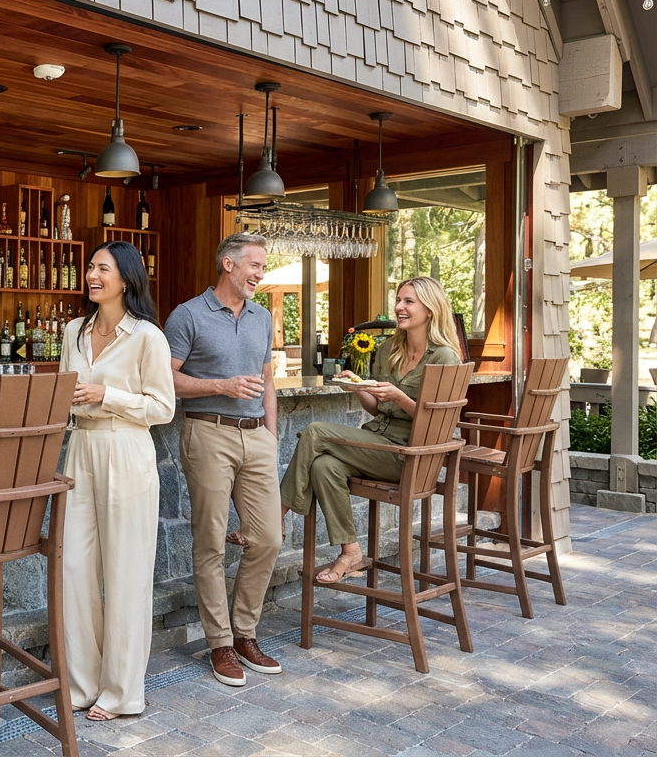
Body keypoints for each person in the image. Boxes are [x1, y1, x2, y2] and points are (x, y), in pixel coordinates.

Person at [281, 276, 463, 583]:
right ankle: (351, 551)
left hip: (408, 455)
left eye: (409, 302)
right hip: (378, 441)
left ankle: (276, 519)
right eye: (398, 300)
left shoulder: (445, 357)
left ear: (430, 310)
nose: (399, 308)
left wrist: (401, 397)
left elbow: (439, 423)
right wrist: (356, 387)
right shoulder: (389, 348)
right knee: (325, 466)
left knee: (314, 431)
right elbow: (379, 409)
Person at [60, 241, 175, 721]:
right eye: (90, 267)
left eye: (101, 268)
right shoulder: (73, 331)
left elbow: (163, 407)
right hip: (79, 451)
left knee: (126, 573)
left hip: (126, 450)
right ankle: (81, 683)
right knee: (74, 570)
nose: (91, 274)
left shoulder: (148, 337)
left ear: (125, 279)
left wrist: (109, 394)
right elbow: (66, 392)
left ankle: (122, 692)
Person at [164, 232, 283, 688]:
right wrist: (222, 386)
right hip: (207, 432)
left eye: (264, 267)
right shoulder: (188, 315)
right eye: (255, 265)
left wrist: (271, 436)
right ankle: (220, 643)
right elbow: (167, 380)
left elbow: (267, 381)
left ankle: (245, 632)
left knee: (268, 537)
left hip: (256, 438)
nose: (260, 274)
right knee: (211, 541)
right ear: (228, 265)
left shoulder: (262, 317)